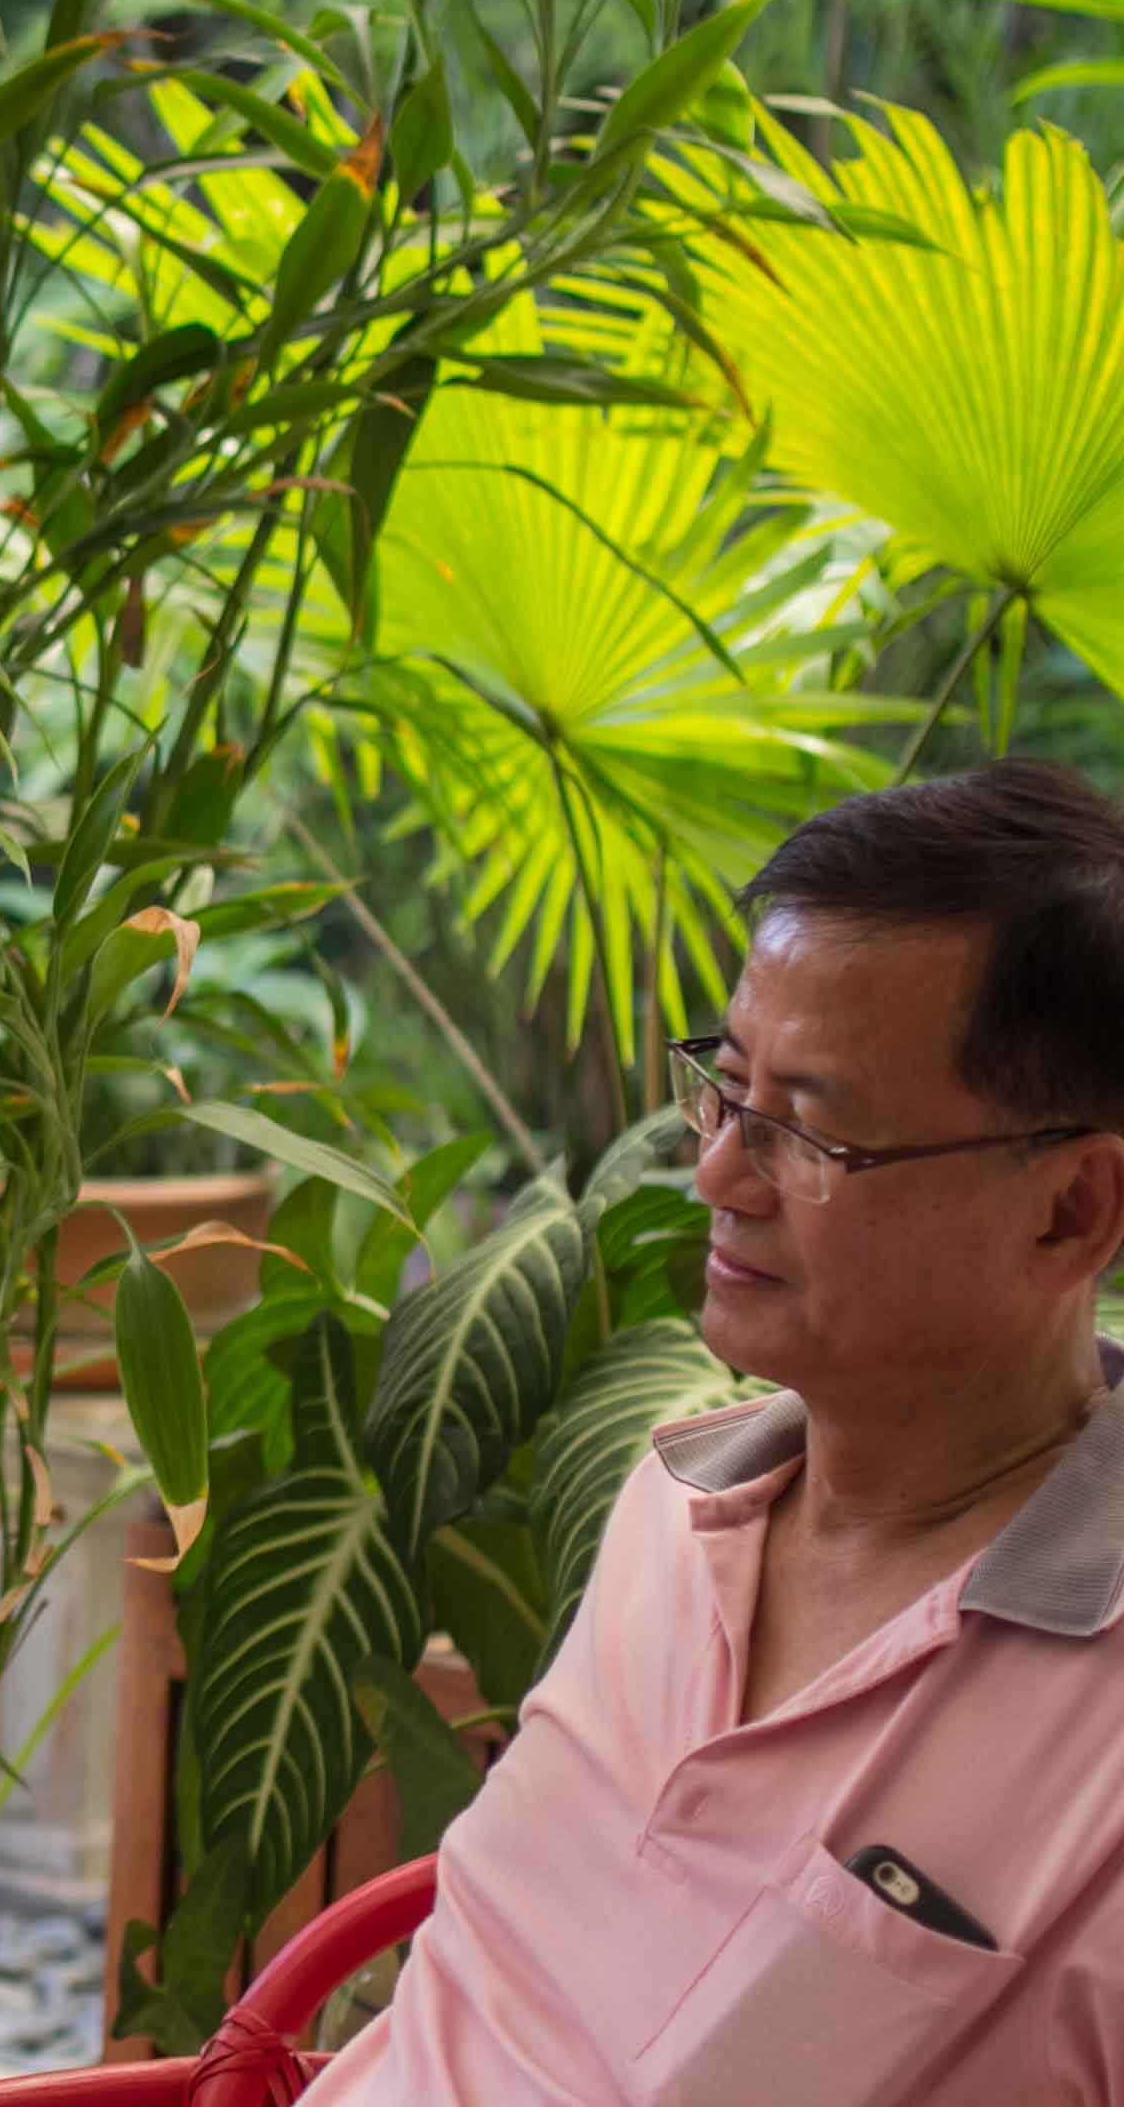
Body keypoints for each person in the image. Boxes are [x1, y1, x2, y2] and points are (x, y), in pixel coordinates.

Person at [305, 757, 1124, 2102]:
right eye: (730, 1091)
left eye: (811, 1135)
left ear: (1070, 1212)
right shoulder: (673, 1511)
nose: (717, 1174)